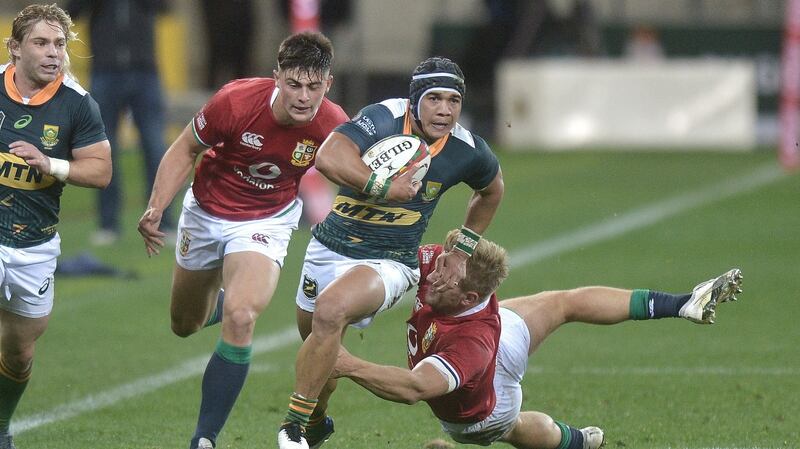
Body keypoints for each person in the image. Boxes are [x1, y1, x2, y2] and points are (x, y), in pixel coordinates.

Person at [331, 230, 744, 449]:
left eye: (445, 275)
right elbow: (469, 215)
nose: (433, 273)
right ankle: (683, 303)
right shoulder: (449, 271)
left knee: (513, 429)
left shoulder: (469, 345)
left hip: (481, 410)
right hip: (494, 332)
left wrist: (345, 363)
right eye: (440, 263)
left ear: (470, 297)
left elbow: (415, 388)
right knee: (564, 303)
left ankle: (572, 441)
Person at [278, 56, 505, 449]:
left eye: (454, 100)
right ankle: (315, 423)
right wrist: (384, 186)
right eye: (434, 98)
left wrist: (462, 248)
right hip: (328, 247)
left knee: (331, 311)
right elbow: (329, 156)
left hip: (391, 261)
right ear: (415, 98)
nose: (445, 110)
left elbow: (492, 189)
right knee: (319, 344)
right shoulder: (382, 118)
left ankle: (293, 427)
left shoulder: (466, 149)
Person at [136, 32, 348, 449]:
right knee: (184, 324)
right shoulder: (235, 102)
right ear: (276, 79)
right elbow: (185, 148)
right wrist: (157, 206)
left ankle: (204, 438)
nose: (303, 97)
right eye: (293, 84)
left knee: (241, 317)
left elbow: (357, 176)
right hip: (205, 212)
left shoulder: (335, 125)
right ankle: (215, 299)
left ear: (328, 84)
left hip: (266, 221)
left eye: (313, 86)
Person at [0, 4, 112, 449]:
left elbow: (101, 171)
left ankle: (2, 425)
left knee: (20, 353)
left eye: (60, 44)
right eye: (41, 43)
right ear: (15, 48)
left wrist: (51, 164)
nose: (53, 53)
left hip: (35, 245)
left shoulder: (78, 103)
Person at [66, 0, 172, 246]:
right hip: (105, 70)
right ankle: (108, 224)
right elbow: (72, 12)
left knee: (156, 147)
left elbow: (165, 8)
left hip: (144, 69)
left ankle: (162, 221)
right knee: (102, 149)